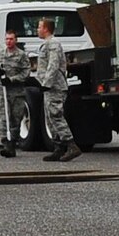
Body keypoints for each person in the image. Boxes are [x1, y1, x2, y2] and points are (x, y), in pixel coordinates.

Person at [35, 18, 80, 162]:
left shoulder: (53, 44)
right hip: (48, 87)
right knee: (49, 117)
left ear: (46, 29)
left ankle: (72, 145)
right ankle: (58, 148)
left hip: (54, 87)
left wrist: (47, 83)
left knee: (56, 115)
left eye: (39, 27)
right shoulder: (46, 44)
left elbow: (53, 65)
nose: (38, 30)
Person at [0, 30, 33, 158]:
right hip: (2, 91)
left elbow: (26, 73)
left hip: (16, 92)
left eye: (11, 39)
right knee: (2, 116)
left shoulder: (21, 56)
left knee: (15, 117)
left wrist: (12, 79)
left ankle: (12, 143)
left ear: (16, 40)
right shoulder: (0, 55)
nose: (9, 41)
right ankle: (6, 143)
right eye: (7, 39)